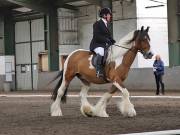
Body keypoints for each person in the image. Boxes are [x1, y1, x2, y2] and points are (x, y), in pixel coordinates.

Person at [89, 7, 116, 78]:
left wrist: (112, 40)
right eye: (109, 14)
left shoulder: (106, 24)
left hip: (103, 45)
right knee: (101, 52)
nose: (110, 16)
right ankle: (98, 70)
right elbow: (97, 36)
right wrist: (106, 40)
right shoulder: (97, 24)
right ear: (104, 15)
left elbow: (108, 35)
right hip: (96, 44)